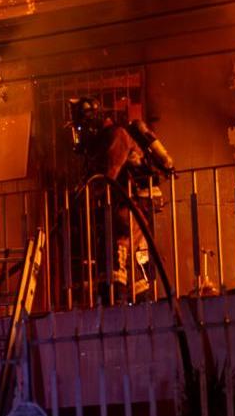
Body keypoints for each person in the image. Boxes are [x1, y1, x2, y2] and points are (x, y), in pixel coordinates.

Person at [68, 97, 175, 303]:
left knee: (116, 250)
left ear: (92, 121)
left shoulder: (116, 136)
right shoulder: (105, 140)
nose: (79, 134)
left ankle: (115, 302)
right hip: (127, 203)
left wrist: (81, 197)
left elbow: (108, 175)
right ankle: (140, 302)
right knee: (125, 257)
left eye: (80, 128)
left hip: (132, 203)